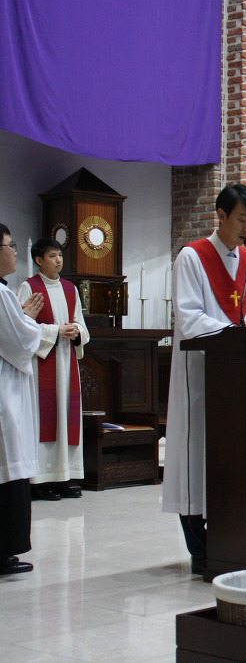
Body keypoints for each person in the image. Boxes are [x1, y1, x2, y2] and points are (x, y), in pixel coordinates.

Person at [161, 184, 246, 575]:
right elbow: (189, 316)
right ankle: (200, 548)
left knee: (235, 455)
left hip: (241, 376)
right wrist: (236, 331)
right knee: (197, 454)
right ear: (221, 214)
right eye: (242, 220)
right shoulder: (192, 258)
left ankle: (233, 537)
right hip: (201, 374)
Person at [17, 237, 89, 501]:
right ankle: (39, 480)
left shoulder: (70, 289)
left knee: (66, 416)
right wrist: (56, 331)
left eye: (59, 255)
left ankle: (63, 477)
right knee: (44, 417)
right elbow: (21, 327)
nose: (58, 260)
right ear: (38, 260)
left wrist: (75, 331)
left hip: (67, 362)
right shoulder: (29, 287)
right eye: (52, 256)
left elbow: (81, 324)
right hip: (42, 365)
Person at [0, 224, 44, 574]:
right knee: (8, 468)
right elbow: (19, 343)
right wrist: (27, 318)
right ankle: (4, 551)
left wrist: (22, 319)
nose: (15, 251)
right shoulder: (1, 295)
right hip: (5, 395)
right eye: (9, 245)